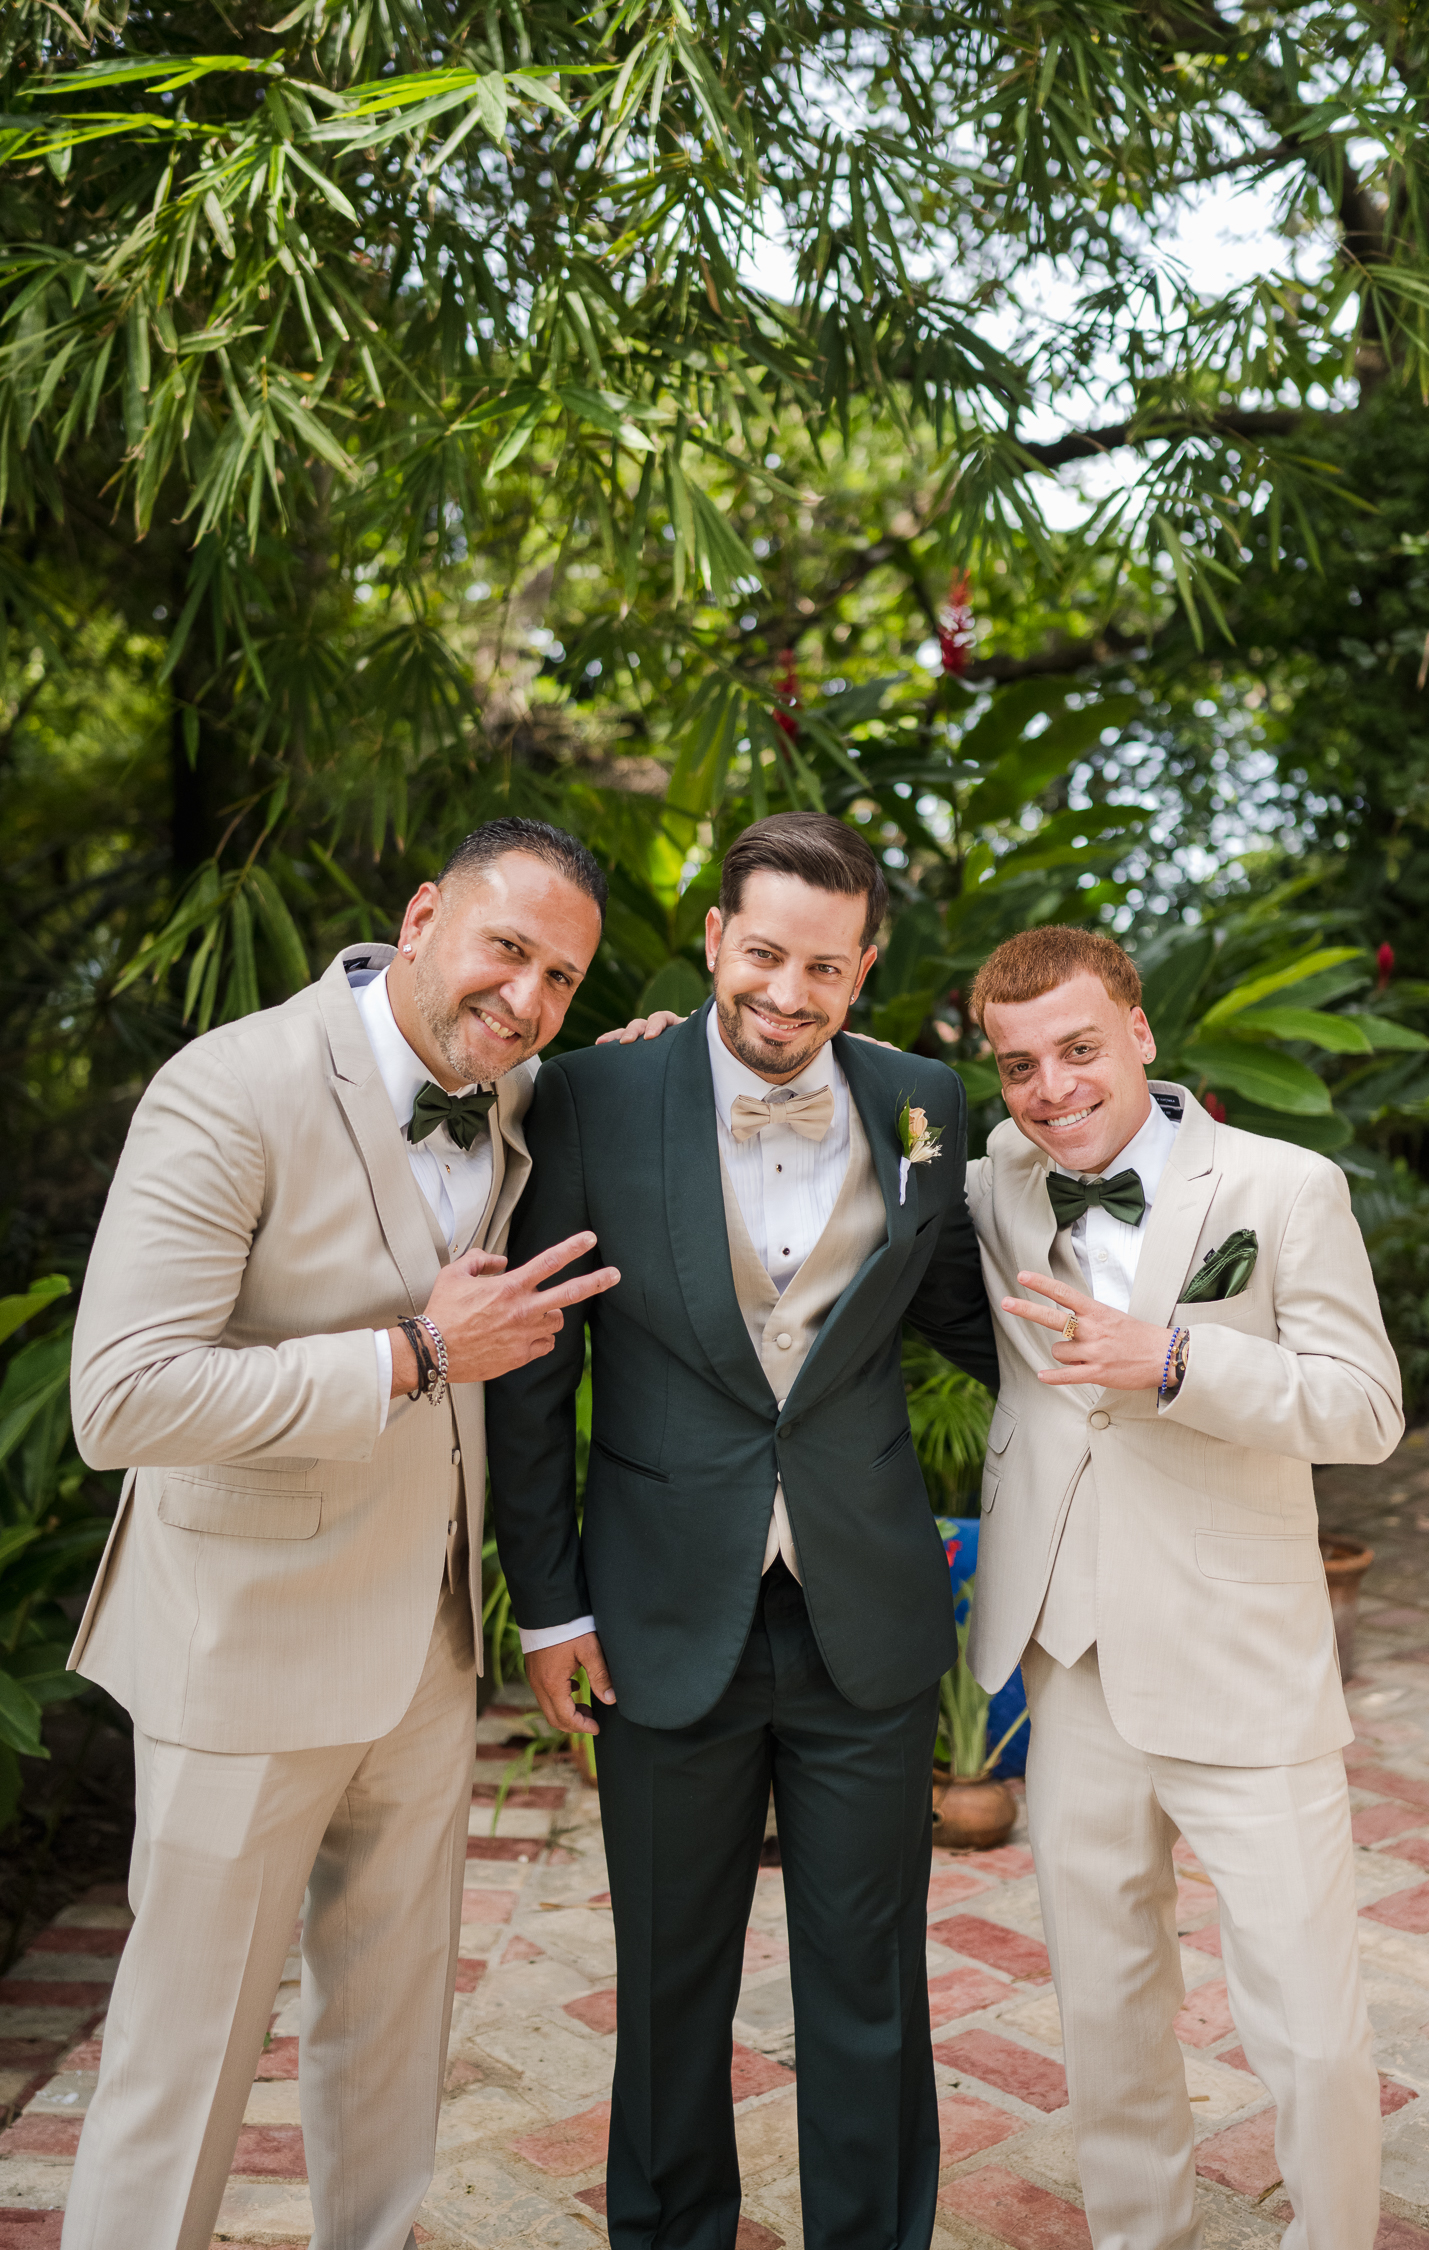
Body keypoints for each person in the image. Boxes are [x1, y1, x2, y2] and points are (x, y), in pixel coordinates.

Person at [62, 818, 622, 2250]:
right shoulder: (231, 1087)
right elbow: (122, 1399)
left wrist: (654, 1046)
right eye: (509, 948)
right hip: (242, 1652)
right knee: (184, 2061)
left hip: (422, 1661)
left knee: (388, 2057)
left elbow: (595, 1076)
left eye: (562, 977)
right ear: (425, 915)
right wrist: (413, 1354)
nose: (528, 997)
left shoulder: (512, 1090)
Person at [490, 810, 999, 2250]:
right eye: (763, 952)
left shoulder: (924, 1102)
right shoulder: (590, 1092)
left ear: (865, 969)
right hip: (659, 1613)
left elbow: (965, 1310)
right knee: (667, 1983)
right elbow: (539, 1371)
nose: (786, 993)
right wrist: (549, 1605)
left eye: (823, 968)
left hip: (866, 1618)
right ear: (716, 937)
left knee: (870, 1984)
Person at [963, 923, 1403, 2250]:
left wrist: (1176, 1362)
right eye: (1021, 1065)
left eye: (1080, 1049)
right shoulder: (997, 1182)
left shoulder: (1283, 1185)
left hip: (1242, 1663)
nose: (1053, 1089)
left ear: (1141, 1036)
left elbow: (1369, 1409)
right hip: (1073, 1656)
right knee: (1104, 2012)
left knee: (1313, 2030)